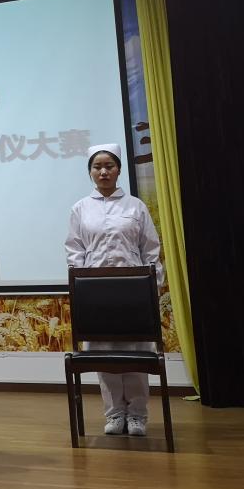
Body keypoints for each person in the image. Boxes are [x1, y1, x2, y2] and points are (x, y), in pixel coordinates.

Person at [65, 142, 163, 437]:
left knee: (135, 352)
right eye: (97, 167)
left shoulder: (135, 206)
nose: (103, 172)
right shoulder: (80, 208)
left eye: (109, 166)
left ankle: (137, 415)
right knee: (104, 353)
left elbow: (151, 250)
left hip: (133, 293)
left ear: (119, 170)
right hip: (96, 293)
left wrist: (150, 288)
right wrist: (80, 287)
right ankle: (115, 413)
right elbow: (74, 250)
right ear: (90, 172)